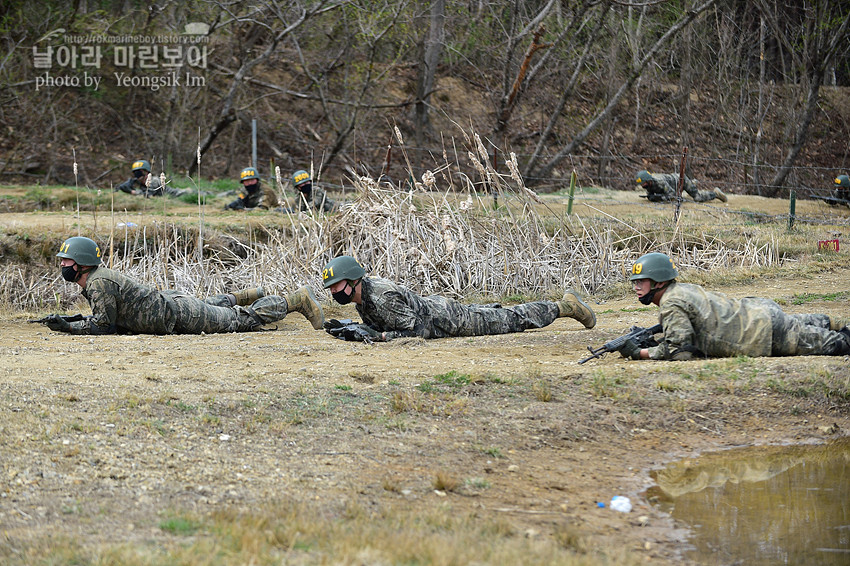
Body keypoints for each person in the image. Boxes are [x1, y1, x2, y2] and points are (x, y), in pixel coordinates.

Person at [43, 236, 325, 335]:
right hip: (175, 308)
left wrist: (69, 326)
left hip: (180, 314)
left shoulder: (98, 283)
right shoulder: (97, 278)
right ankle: (243, 295)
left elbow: (104, 326)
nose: (62, 266)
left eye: (66, 261)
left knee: (242, 321)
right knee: (211, 309)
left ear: (80, 262)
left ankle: (294, 300)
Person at [616, 252, 850, 361]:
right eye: (635, 282)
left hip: (763, 333)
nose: (636, 287)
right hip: (761, 315)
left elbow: (681, 351)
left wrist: (641, 353)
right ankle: (836, 322)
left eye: (641, 281)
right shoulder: (682, 289)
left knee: (840, 344)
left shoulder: (670, 303)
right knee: (821, 325)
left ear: (659, 281)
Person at [320, 255, 596, 342]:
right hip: (440, 311)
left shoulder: (379, 297)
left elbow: (416, 331)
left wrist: (377, 337)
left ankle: (565, 307)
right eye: (330, 288)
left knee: (510, 319)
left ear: (353, 280)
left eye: (337, 285)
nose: (333, 291)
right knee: (495, 313)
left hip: (448, 320)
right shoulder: (362, 295)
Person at [635, 170, 727, 203]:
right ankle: (692, 184)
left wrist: (658, 198)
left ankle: (716, 194)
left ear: (648, 181)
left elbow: (672, 196)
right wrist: (651, 197)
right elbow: (652, 193)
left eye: (643, 183)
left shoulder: (660, 182)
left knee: (697, 198)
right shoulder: (649, 184)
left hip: (681, 181)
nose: (642, 186)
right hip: (673, 184)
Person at [115, 159, 191, 198]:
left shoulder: (154, 180)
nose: (137, 175)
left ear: (146, 172)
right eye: (136, 173)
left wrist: (132, 192)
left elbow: (149, 195)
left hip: (180, 195)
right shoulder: (139, 182)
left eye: (140, 172)